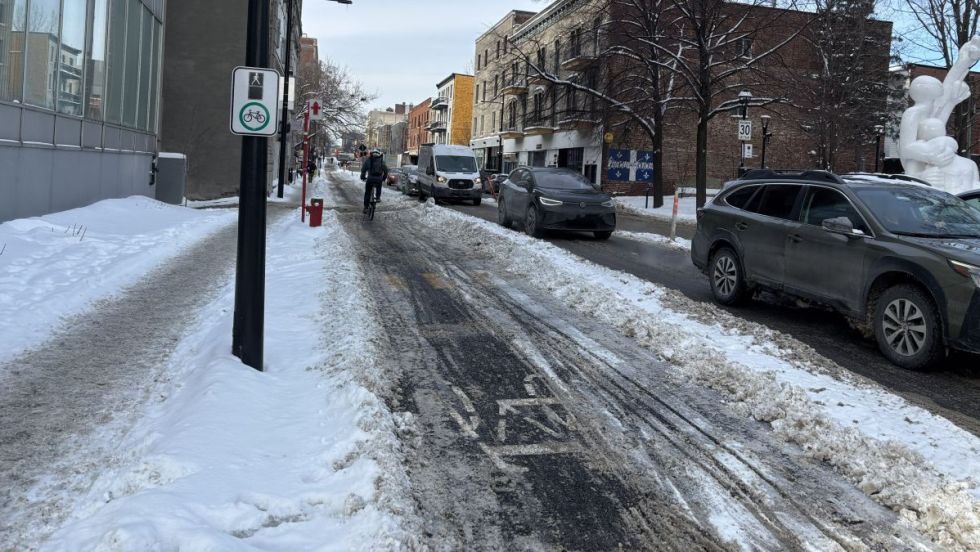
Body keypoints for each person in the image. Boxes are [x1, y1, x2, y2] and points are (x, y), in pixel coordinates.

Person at [360, 148, 388, 213]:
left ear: (372, 154)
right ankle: (378, 197)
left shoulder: (369, 160)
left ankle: (366, 207)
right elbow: (386, 171)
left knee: (367, 192)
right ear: (379, 154)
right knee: (379, 186)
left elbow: (363, 169)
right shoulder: (381, 161)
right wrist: (383, 178)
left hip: (370, 178)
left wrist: (363, 177)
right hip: (379, 178)